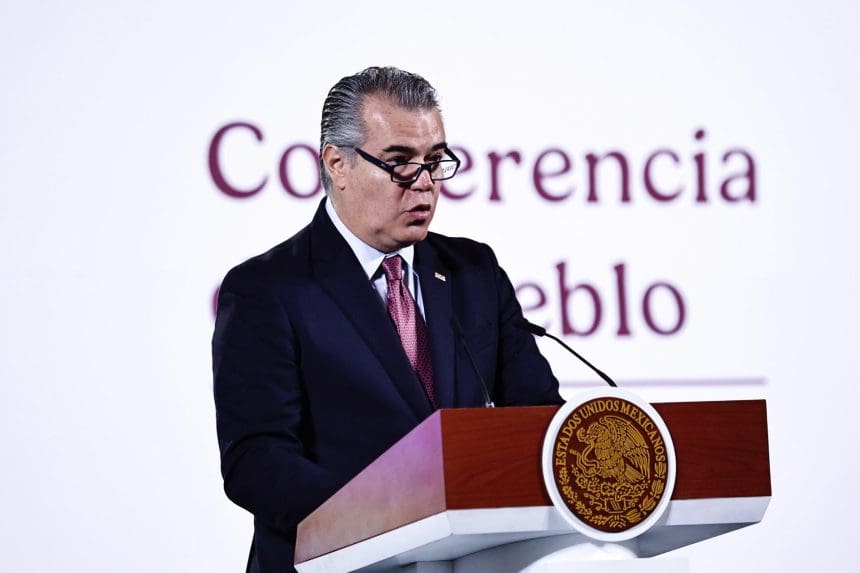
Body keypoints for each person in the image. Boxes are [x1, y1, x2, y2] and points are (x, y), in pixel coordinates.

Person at [212, 66, 562, 573]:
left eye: (435, 161)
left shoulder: (472, 272)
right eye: (400, 163)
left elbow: (539, 421)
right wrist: (398, 516)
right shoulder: (268, 288)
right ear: (338, 164)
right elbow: (257, 463)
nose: (424, 185)